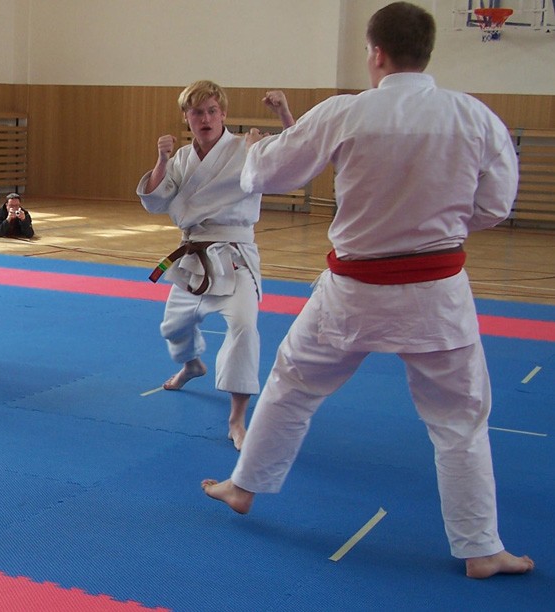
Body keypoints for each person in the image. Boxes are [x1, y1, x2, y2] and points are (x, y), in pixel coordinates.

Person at [202, 2, 534, 580]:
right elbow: (495, 205)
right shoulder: (474, 117)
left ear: (376, 53)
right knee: (460, 421)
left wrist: (254, 152)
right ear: (426, 52)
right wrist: (442, 226)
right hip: (438, 295)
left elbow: (270, 174)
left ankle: (244, 485)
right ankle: (481, 548)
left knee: (292, 384)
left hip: (352, 293)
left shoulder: (347, 112)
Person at [137, 80, 294, 451]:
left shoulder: (246, 146)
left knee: (244, 327)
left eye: (212, 111)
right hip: (193, 253)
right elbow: (156, 201)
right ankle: (192, 364)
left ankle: (237, 419)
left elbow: (295, 152)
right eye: (197, 112)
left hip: (235, 254)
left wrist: (284, 113)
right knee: (173, 327)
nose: (205, 118)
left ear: (223, 114)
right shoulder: (180, 158)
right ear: (186, 117)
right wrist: (161, 160)